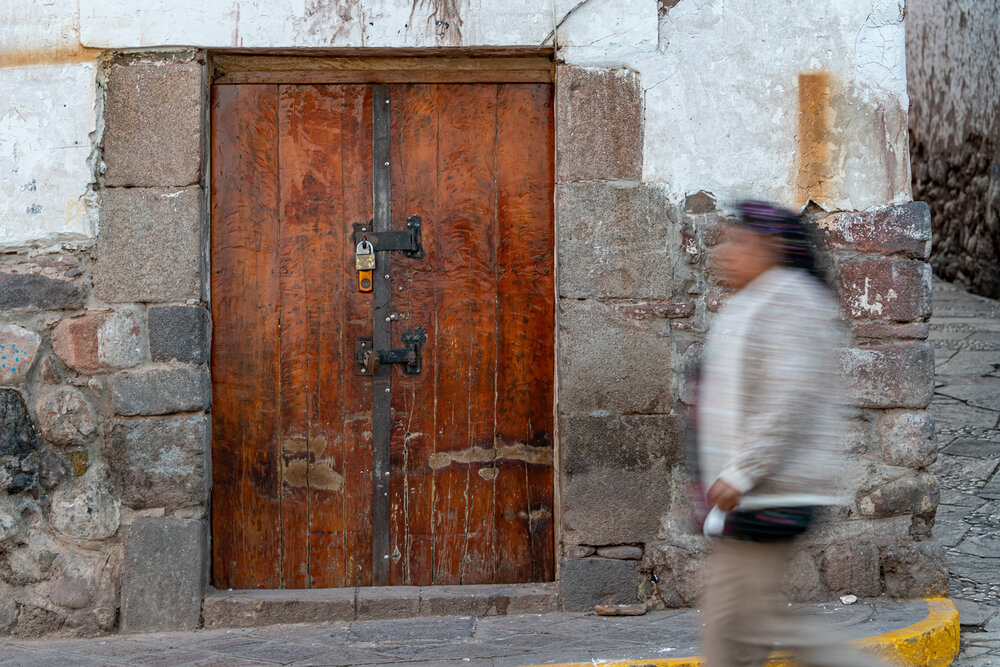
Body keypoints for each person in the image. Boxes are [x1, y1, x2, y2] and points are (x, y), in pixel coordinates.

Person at [697, 200, 886, 667]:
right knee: (743, 626)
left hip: (768, 491)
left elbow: (787, 401)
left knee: (741, 627)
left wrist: (740, 473)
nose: (724, 254)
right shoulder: (758, 300)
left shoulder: (789, 302)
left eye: (737, 243)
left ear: (770, 249)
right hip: (752, 493)